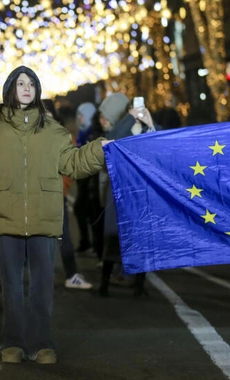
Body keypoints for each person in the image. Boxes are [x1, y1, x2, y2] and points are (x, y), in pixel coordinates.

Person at [0, 66, 111, 364]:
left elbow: (73, 164)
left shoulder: (53, 130)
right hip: (4, 216)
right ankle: (13, 342)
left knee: (42, 286)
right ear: (10, 89)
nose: (26, 87)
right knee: (11, 287)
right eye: (20, 82)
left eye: (31, 82)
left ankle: (42, 343)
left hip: (44, 218)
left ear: (37, 89)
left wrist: (99, 150)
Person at [97, 93, 156, 298]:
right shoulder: (123, 127)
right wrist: (130, 118)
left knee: (142, 239)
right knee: (114, 239)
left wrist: (150, 123)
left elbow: (161, 143)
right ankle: (104, 283)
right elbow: (112, 138)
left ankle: (139, 285)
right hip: (120, 192)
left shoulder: (146, 127)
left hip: (141, 194)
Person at [42, 99, 93, 290]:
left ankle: (71, 274)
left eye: (46, 115)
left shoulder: (63, 136)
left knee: (63, 236)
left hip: (55, 194)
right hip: (32, 195)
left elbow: (70, 165)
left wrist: (61, 186)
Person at [73, 102, 98, 255]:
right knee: (81, 210)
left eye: (82, 116)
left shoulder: (93, 133)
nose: (79, 119)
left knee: (90, 213)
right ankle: (87, 242)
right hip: (84, 180)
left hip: (91, 181)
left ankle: (93, 244)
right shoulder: (83, 133)